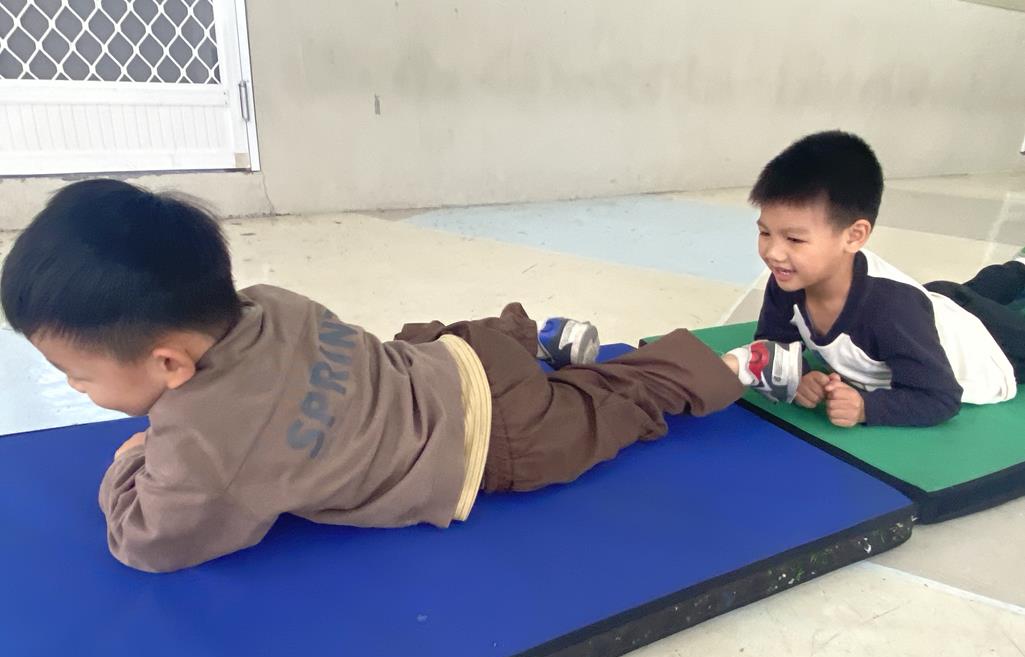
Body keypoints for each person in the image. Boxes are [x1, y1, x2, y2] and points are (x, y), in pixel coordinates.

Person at [0, 179, 743, 572]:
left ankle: (726, 367)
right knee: (405, 342)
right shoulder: (268, 301)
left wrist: (129, 463)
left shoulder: (208, 453)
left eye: (77, 374)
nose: (76, 389)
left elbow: (148, 542)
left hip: (501, 442)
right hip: (464, 352)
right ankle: (539, 338)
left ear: (169, 362)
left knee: (615, 403)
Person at [722, 130, 1021, 428]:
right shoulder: (790, 278)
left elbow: (941, 397)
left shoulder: (891, 312)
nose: (773, 253)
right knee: (959, 293)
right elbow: (775, 341)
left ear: (854, 236)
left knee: (969, 306)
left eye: (794, 239)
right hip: (934, 308)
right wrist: (799, 376)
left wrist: (866, 408)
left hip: (989, 345)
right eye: (765, 232)